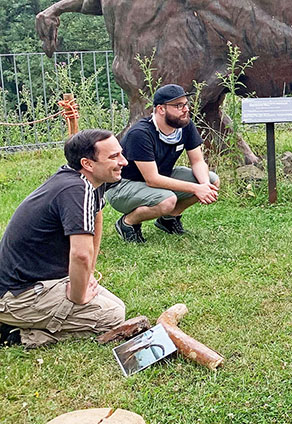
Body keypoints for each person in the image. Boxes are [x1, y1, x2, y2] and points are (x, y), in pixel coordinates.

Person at [0, 129, 128, 347]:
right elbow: (79, 254)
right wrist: (79, 297)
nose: (123, 161)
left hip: (42, 279)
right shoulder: (76, 190)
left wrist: (86, 276)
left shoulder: (90, 182)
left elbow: (96, 218)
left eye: (120, 154)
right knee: (113, 317)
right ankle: (17, 335)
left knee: (117, 306)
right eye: (114, 157)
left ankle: (26, 322)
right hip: (17, 294)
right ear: (88, 164)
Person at [108, 84, 220, 243]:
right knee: (167, 200)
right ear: (161, 109)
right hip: (124, 187)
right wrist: (196, 188)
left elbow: (198, 161)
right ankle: (127, 223)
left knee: (212, 180)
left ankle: (168, 220)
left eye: (186, 104)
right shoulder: (140, 134)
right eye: (178, 106)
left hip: (159, 178)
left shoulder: (184, 125)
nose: (185, 109)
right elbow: (152, 179)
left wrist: (204, 186)